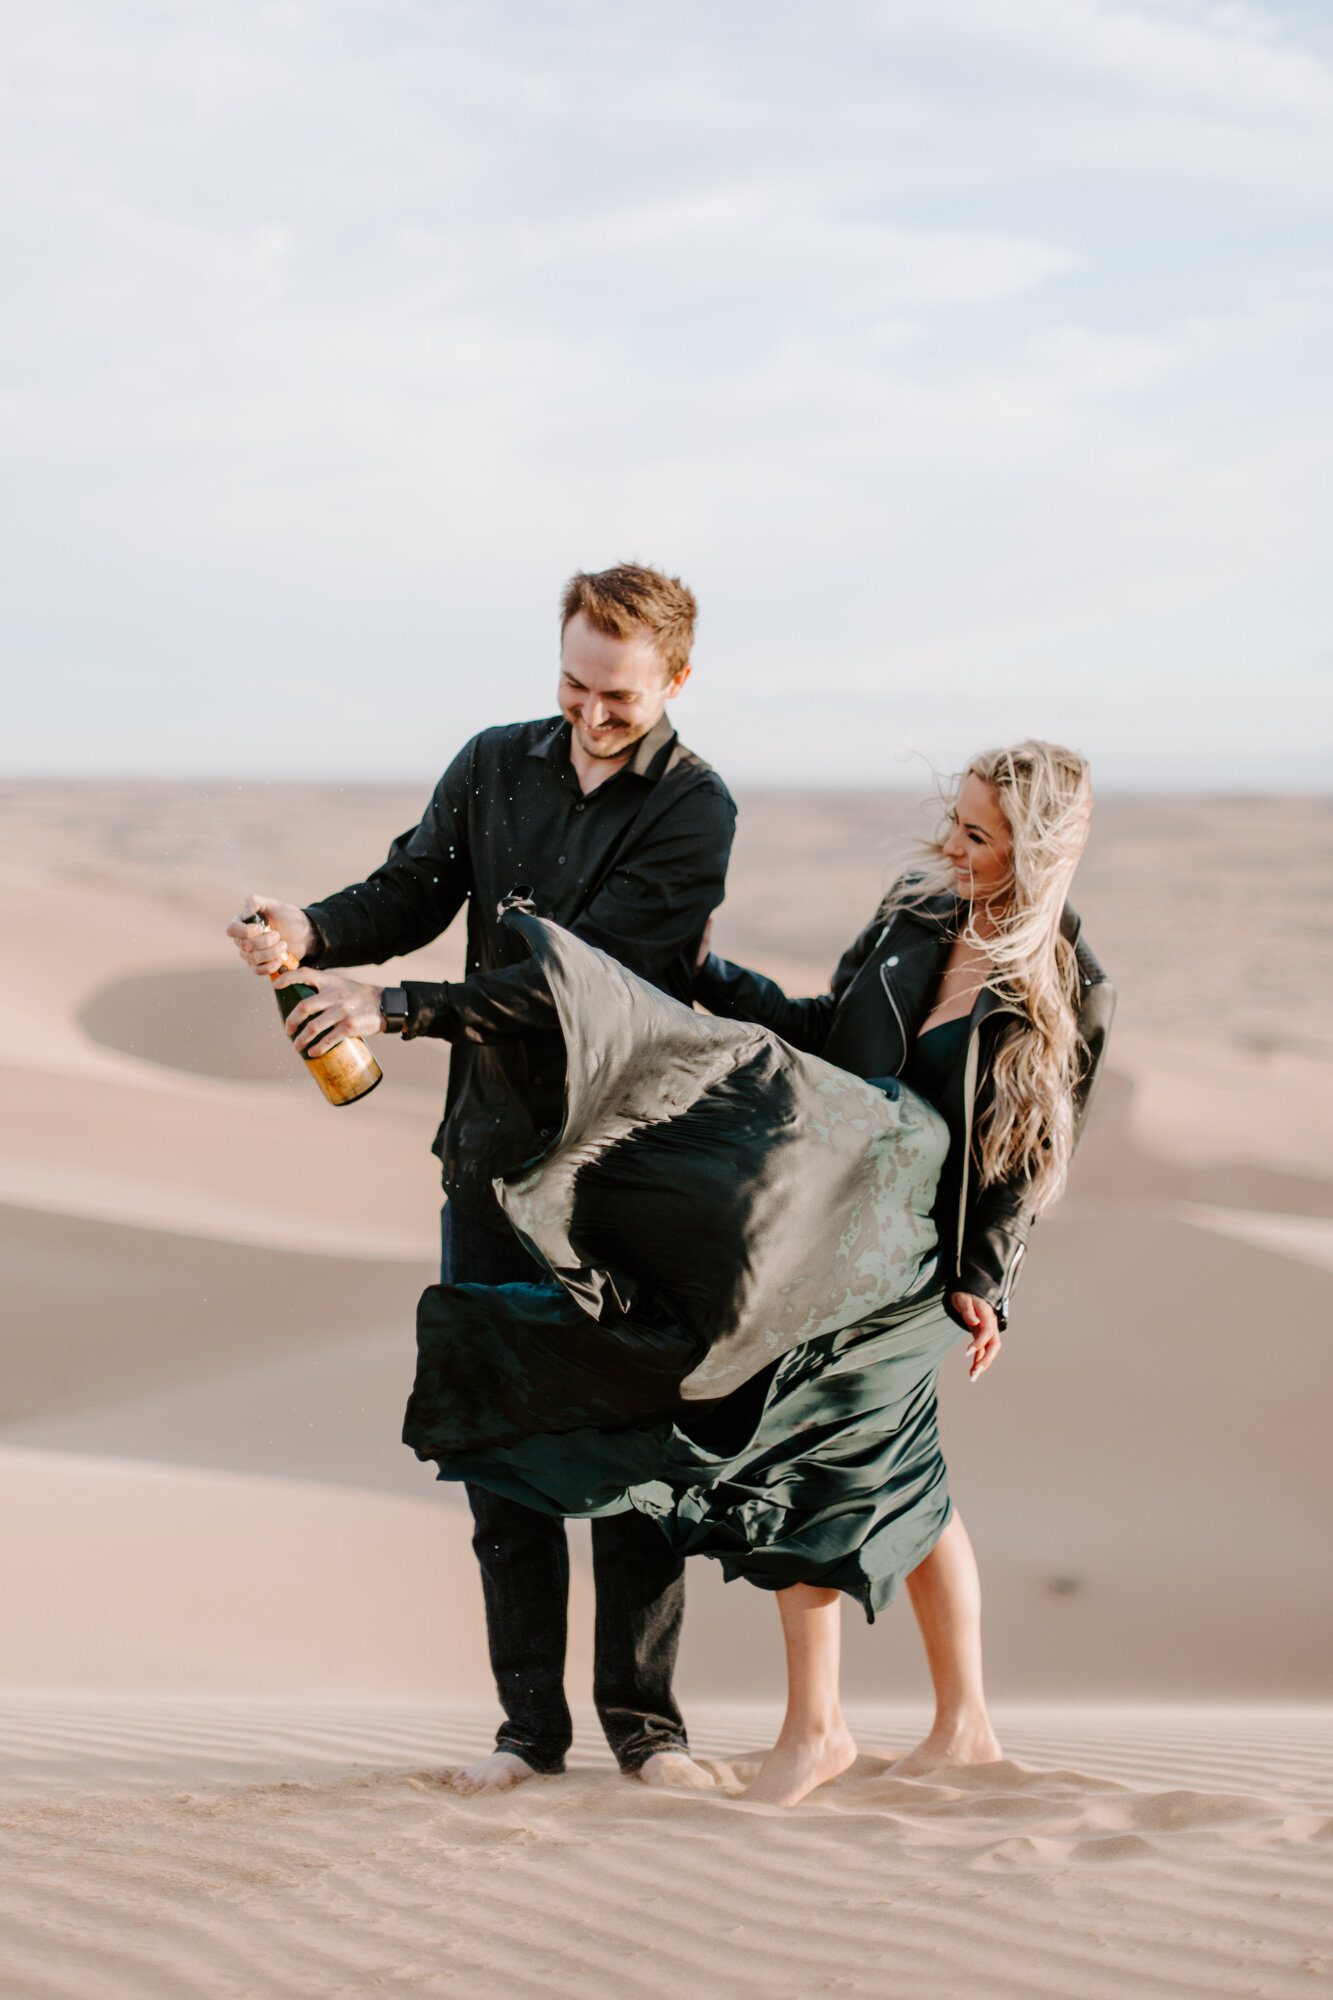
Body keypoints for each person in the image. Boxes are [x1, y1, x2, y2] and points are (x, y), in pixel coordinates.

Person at [399, 740, 1113, 1806]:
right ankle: (958, 1727)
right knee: (905, 1469)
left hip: (924, 1259)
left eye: (976, 835)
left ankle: (816, 1731)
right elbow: (831, 1034)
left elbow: (1027, 1154)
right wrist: (707, 972)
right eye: (951, 821)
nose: (947, 846)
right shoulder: (916, 914)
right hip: (834, 1228)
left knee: (810, 1450)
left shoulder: (1069, 985)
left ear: (1037, 851)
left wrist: (985, 1278)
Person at [227, 562, 736, 1795]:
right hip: (487, 1164)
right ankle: (526, 1733)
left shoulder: (694, 808)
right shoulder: (494, 760)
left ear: (675, 678)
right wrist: (310, 933)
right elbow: (411, 888)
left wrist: (394, 1004)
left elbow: (586, 984)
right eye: (571, 680)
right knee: (501, 1452)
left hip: (627, 1174)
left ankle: (646, 1731)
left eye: (616, 693)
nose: (588, 711)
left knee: (632, 1456)